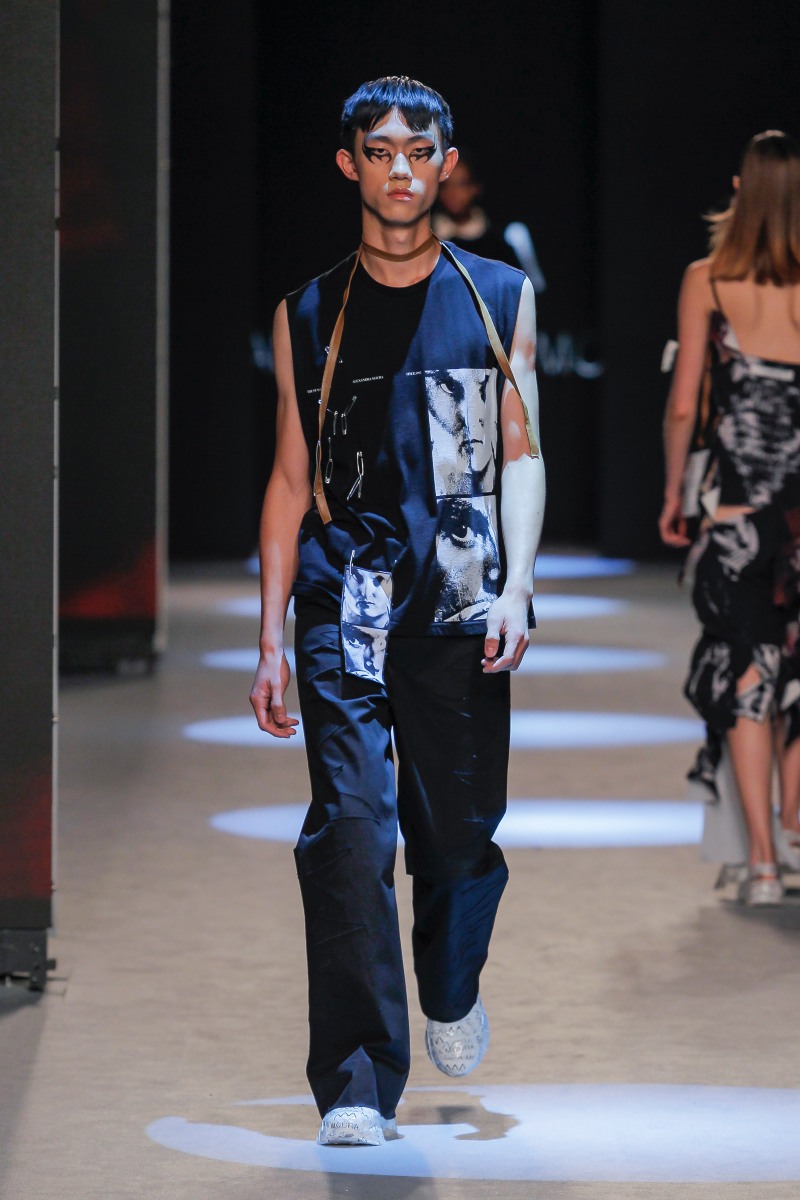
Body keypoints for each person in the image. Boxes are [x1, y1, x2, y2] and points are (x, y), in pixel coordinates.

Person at [249, 76, 545, 1146]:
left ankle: (451, 982)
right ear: (351, 166)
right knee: (349, 830)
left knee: (456, 839)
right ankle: (356, 1081)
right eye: (379, 152)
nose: (400, 171)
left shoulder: (497, 295)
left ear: (445, 163)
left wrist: (517, 583)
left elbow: (521, 450)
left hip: (460, 595)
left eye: (418, 152)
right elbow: (291, 478)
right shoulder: (308, 311)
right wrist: (271, 637)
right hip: (348, 599)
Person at [659, 130, 800, 906]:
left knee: (750, 672)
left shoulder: (708, 278)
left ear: (741, 190)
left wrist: (674, 493)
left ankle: (765, 865)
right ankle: (794, 823)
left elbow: (685, 404)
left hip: (741, 515)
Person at [432, 147, 547, 292]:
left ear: (475, 188)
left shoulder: (498, 244)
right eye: (446, 185)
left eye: (461, 184)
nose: (452, 193)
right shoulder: (427, 238)